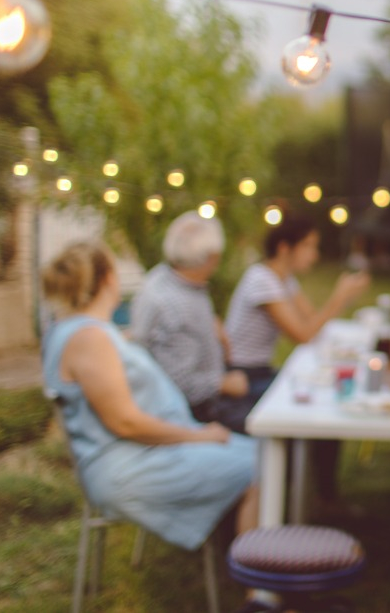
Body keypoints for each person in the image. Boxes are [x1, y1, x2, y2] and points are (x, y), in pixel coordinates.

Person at [41, 241, 258, 553]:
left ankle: (255, 564)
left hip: (143, 454)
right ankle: (262, 590)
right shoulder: (90, 338)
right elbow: (125, 423)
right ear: (107, 280)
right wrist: (197, 436)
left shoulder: (78, 330)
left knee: (262, 452)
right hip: (129, 466)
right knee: (263, 465)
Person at [223, 215, 370, 511]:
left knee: (327, 403)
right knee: (319, 407)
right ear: (284, 247)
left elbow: (311, 324)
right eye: (308, 246)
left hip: (259, 371)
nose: (314, 255)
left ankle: (320, 495)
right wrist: (339, 298)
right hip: (243, 377)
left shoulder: (283, 279)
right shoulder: (261, 280)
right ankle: (310, 499)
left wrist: (338, 303)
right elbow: (303, 335)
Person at [130, 211, 256, 434]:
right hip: (196, 415)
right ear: (212, 257)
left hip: (204, 397)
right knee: (279, 426)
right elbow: (178, 385)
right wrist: (223, 383)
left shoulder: (162, 277)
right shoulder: (176, 305)